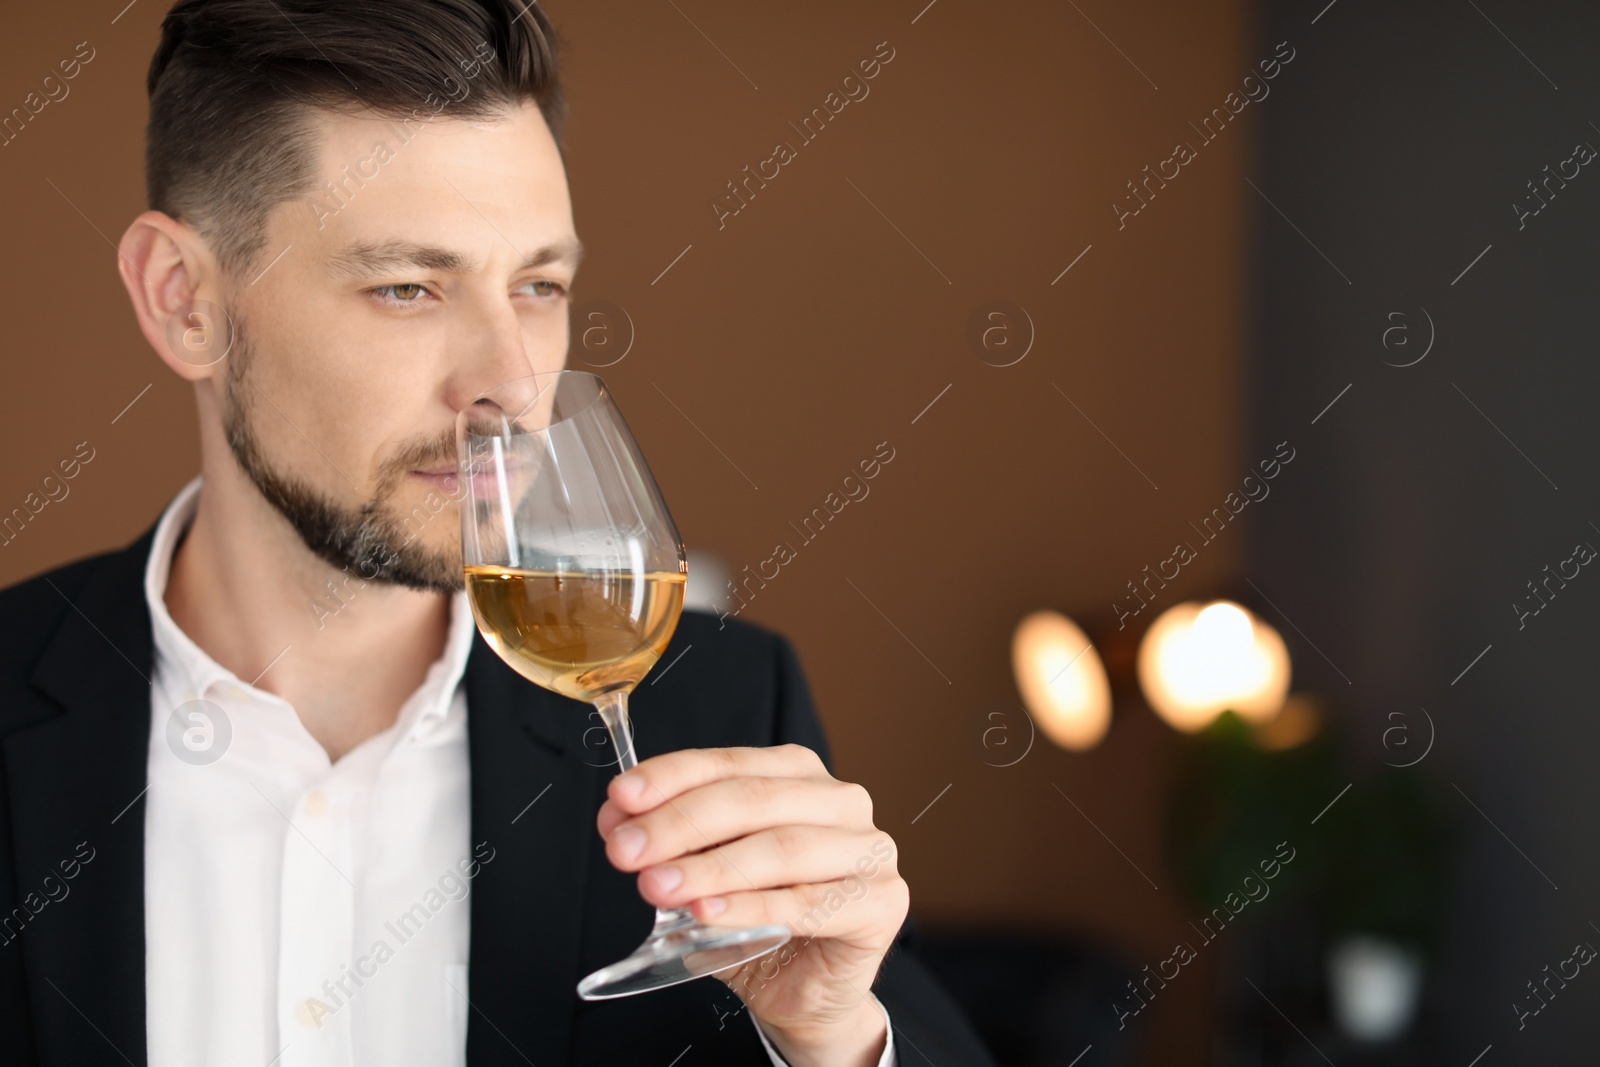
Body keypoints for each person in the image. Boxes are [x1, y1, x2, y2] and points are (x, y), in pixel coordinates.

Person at [0, 2, 996, 1065]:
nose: (513, 383)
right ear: (183, 300)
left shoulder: (719, 706)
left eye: (538, 284)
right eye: (407, 287)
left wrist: (832, 1035)